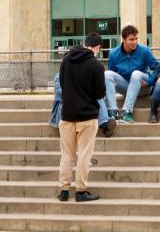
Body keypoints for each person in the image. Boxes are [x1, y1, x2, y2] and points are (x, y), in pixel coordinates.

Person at [57, 33, 106, 202]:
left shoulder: (66, 60)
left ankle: (64, 190)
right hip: (87, 116)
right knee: (84, 155)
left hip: (67, 115)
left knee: (67, 155)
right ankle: (81, 191)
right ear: (97, 47)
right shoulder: (96, 66)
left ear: (85, 43)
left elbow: (62, 84)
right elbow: (100, 93)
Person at [100, 25, 159, 124]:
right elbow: (111, 75)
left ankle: (127, 112)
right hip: (125, 87)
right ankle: (112, 112)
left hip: (143, 86)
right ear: (123, 39)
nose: (135, 42)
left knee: (136, 73)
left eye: (136, 39)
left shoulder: (144, 51)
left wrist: (150, 82)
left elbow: (157, 68)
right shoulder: (114, 53)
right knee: (107, 74)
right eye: (131, 39)